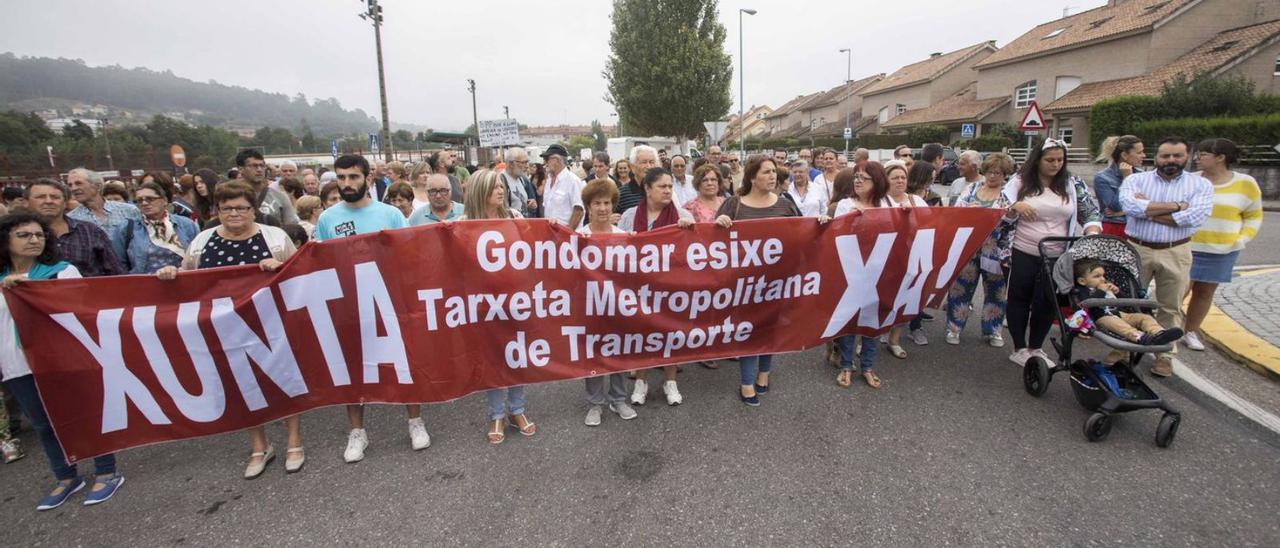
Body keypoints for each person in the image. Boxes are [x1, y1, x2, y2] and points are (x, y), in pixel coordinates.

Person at [155, 181, 303, 477]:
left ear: (253, 210)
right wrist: (172, 274)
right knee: (241, 386)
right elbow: (188, 278)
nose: (234, 213)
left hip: (269, 324)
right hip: (222, 328)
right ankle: (259, 445)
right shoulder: (202, 241)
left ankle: (294, 441)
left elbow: (299, 275)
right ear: (217, 210)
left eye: (241, 208)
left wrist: (280, 267)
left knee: (283, 381)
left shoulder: (275, 237)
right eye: (226, 208)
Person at [0, 212, 125, 508]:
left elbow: (78, 311)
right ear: (6, 241)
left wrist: (32, 291)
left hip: (61, 360)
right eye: (24, 235)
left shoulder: (61, 272)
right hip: (16, 363)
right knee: (43, 424)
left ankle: (106, 471)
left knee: (85, 415)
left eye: (39, 235)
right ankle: (66, 476)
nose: (33, 240)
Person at [314, 154, 428, 460]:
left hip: (388, 300)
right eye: (341, 178)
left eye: (353, 177)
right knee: (352, 368)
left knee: (403, 362)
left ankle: (415, 422)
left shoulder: (390, 215)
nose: (347, 183)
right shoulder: (327, 219)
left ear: (368, 179)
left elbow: (408, 255)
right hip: (349, 305)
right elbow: (318, 263)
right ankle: (358, 433)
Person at [715, 156, 829, 406]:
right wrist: (719, 224)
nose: (772, 176)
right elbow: (713, 244)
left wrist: (819, 224)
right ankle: (746, 383)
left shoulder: (785, 204)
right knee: (748, 332)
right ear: (752, 177)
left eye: (774, 172)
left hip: (777, 283)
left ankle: (764, 374)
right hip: (744, 286)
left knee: (770, 331)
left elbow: (803, 232)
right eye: (766, 172)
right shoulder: (733, 204)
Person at [1118, 136, 1214, 376]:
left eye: (1177, 155)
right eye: (1165, 155)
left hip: (1176, 250)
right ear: (1156, 157)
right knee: (1127, 301)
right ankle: (1122, 348)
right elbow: (1130, 208)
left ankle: (1164, 355)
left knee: (1170, 306)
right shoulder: (1136, 180)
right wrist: (1179, 206)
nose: (1171, 160)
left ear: (1187, 157)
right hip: (1137, 248)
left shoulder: (1201, 185)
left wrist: (1148, 208)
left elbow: (1194, 218)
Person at [452, 170, 535, 443]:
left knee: (517, 354)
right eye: (493, 187)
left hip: (515, 299)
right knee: (492, 358)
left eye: (501, 186)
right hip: (483, 302)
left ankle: (517, 409)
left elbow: (534, 250)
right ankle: (496, 414)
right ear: (479, 192)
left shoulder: (515, 217)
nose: (500, 191)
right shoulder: (462, 224)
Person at [1004, 139, 1103, 368]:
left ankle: (1036, 346)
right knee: (1020, 297)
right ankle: (1019, 347)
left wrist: (1091, 230)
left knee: (1048, 301)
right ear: (1037, 160)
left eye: (1060, 160)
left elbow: (1089, 213)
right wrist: (1015, 206)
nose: (1055, 164)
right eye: (1050, 160)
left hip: (1058, 254)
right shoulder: (1020, 182)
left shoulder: (1072, 183)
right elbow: (1002, 207)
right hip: (1024, 249)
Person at [618, 167, 695, 405]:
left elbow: (697, 250)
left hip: (671, 288)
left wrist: (688, 232)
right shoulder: (631, 215)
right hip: (639, 288)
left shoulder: (682, 215)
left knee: (671, 334)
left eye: (670, 186)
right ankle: (641, 381)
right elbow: (615, 247)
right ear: (647, 189)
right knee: (642, 336)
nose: (668, 190)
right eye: (662, 186)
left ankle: (670, 381)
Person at [1183, 138, 1263, 352]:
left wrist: (1241, 239)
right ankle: (1163, 330)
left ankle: (1190, 331)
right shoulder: (1190, 179)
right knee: (1177, 291)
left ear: (1221, 158)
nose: (1198, 158)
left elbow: (1253, 216)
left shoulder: (1246, 183)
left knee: (1204, 292)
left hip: (1222, 250)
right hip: (1186, 247)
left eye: (1204, 154)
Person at [576, 179, 640, 425]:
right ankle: (595, 403)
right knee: (593, 354)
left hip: (617, 305)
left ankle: (618, 399)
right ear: (588, 207)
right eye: (596, 203)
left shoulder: (624, 236)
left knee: (619, 351)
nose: (602, 208)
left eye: (606, 203)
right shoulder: (578, 237)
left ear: (613, 205)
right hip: (590, 306)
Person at [945, 153, 1015, 347]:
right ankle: (954, 328)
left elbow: (1013, 222)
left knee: (996, 292)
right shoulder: (972, 188)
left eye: (998, 173)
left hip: (995, 249)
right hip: (969, 247)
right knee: (960, 289)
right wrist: (970, 212)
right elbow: (957, 212)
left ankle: (993, 330)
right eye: (990, 172)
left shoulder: (1007, 194)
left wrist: (1007, 215)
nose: (993, 176)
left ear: (1005, 175)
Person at [831, 165, 887, 388]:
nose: (858, 181)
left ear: (877, 182)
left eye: (864, 178)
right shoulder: (845, 204)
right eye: (856, 177)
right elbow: (836, 234)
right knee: (850, 318)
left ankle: (868, 366)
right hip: (851, 269)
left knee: (872, 319)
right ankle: (846, 365)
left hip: (878, 269)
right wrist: (856, 219)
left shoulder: (886, 205)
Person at [882, 162, 932, 356]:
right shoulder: (878, 201)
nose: (900, 181)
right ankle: (871, 335)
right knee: (878, 300)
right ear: (886, 180)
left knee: (904, 298)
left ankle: (894, 340)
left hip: (910, 257)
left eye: (903, 177)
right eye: (895, 177)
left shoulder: (917, 200)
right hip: (884, 259)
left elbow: (930, 225)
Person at [1071, 259, 1185, 345]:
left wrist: (1117, 292)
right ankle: (1140, 337)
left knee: (1144, 317)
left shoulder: (1106, 286)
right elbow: (1086, 304)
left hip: (1121, 314)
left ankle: (1159, 333)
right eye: (1097, 276)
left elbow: (1125, 303)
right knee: (1118, 325)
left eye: (1103, 275)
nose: (1102, 279)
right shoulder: (1082, 290)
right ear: (1082, 281)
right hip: (1101, 318)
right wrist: (1100, 291)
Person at [31, 178, 124, 277]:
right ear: (26, 202)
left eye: (55, 197)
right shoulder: (18, 235)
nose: (49, 201)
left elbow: (115, 272)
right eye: (40, 197)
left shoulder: (90, 231)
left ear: (65, 202)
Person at [66, 167, 143, 271]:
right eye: (70, 185)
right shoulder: (71, 219)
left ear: (97, 186)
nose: (73, 188)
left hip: (134, 272)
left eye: (78, 183)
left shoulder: (128, 210)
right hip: (97, 277)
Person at [130, 181, 199, 274]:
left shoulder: (186, 224)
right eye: (139, 200)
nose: (144, 203)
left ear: (165, 200)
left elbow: (198, 255)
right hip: (145, 284)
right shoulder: (128, 228)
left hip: (184, 281)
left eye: (150, 199)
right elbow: (121, 264)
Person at [1093, 135, 1145, 238]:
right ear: (1125, 155)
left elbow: (1148, 205)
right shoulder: (1102, 177)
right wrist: (1127, 179)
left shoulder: (1142, 175)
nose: (1144, 155)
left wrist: (1121, 212)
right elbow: (1115, 206)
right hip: (1114, 228)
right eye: (1139, 152)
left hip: (1138, 227)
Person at [233, 149, 299, 227]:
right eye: (254, 166)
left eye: (262, 166)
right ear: (241, 169)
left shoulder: (279, 197)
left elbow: (291, 227)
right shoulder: (230, 196)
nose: (259, 170)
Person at [540, 145, 586, 229]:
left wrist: (567, 234)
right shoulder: (549, 181)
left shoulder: (573, 181)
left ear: (556, 160)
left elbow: (578, 211)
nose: (545, 163)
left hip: (567, 236)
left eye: (546, 159)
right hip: (551, 236)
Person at [500, 147, 538, 218]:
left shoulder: (523, 179)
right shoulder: (500, 180)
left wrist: (531, 206)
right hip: (511, 227)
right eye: (524, 162)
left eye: (527, 162)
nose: (527, 166)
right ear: (511, 164)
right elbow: (500, 210)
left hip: (523, 225)